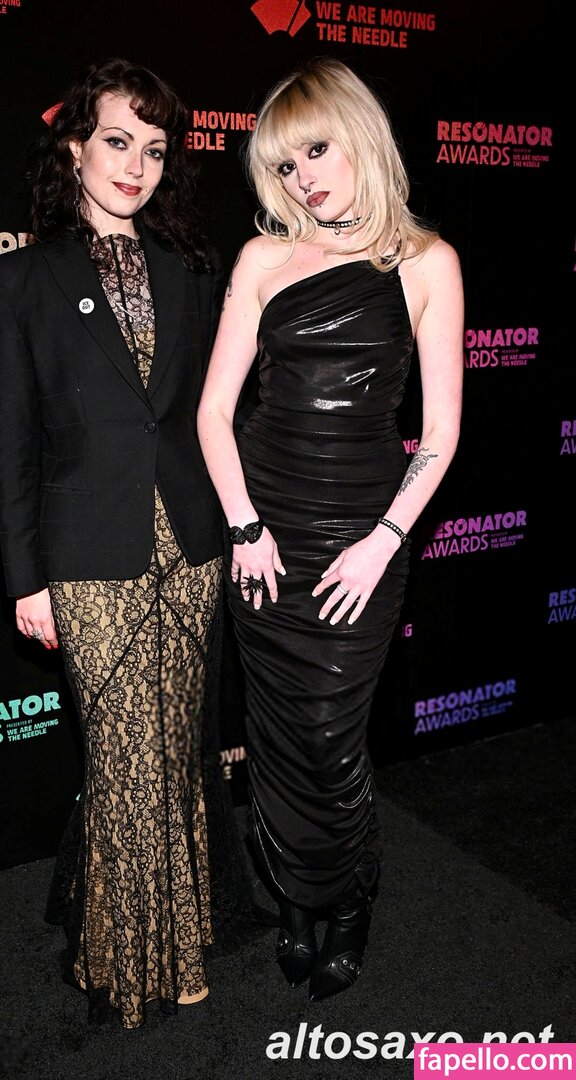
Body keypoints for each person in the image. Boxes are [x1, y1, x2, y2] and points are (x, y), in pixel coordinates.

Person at [197, 56, 463, 1003]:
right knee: (273, 732)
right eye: (284, 164)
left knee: (330, 735)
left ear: (359, 135)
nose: (303, 177)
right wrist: (244, 528)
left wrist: (384, 540)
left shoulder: (426, 262)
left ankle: (348, 899)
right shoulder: (264, 259)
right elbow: (213, 412)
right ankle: (297, 902)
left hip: (364, 537)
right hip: (265, 533)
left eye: (315, 150)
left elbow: (441, 434)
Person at [0, 57, 228, 1029]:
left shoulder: (191, 269)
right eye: (118, 141)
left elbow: (213, 416)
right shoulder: (18, 280)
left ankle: (184, 943)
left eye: (155, 150)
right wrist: (24, 579)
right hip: (87, 555)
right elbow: (12, 443)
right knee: (123, 764)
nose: (135, 166)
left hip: (192, 546)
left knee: (175, 756)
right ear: (76, 146)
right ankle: (124, 967)